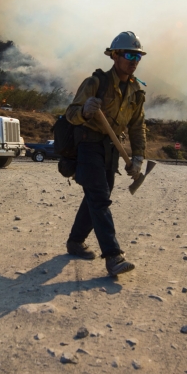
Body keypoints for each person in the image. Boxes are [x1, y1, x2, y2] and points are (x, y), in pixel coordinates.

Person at [64, 31, 147, 277]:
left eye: (138, 56)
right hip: (88, 145)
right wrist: (86, 111)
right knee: (99, 198)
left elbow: (137, 126)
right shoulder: (95, 82)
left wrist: (138, 157)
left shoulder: (136, 91)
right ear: (114, 55)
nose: (134, 60)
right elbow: (70, 114)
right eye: (129, 55)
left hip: (111, 149)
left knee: (97, 196)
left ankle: (75, 242)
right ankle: (113, 256)